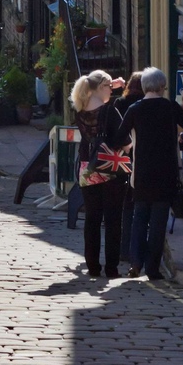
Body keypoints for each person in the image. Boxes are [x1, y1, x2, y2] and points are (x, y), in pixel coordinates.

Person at [110, 67, 183, 280]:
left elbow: (118, 137)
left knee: (139, 217)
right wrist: (181, 138)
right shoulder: (171, 107)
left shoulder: (135, 109)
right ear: (162, 86)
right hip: (167, 171)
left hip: (141, 172)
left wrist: (131, 147)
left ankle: (135, 263)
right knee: (158, 222)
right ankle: (152, 268)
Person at [71, 70, 127, 278]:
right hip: (110, 168)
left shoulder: (79, 111)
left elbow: (96, 87)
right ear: (99, 88)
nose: (110, 92)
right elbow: (124, 140)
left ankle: (93, 266)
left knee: (92, 219)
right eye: (108, 87)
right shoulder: (110, 112)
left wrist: (110, 83)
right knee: (113, 220)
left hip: (87, 167)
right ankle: (111, 268)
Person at [117, 71, 147, 273]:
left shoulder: (120, 103)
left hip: (123, 158)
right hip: (143, 158)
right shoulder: (146, 105)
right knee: (141, 208)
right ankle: (140, 252)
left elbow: (117, 131)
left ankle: (124, 250)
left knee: (126, 208)